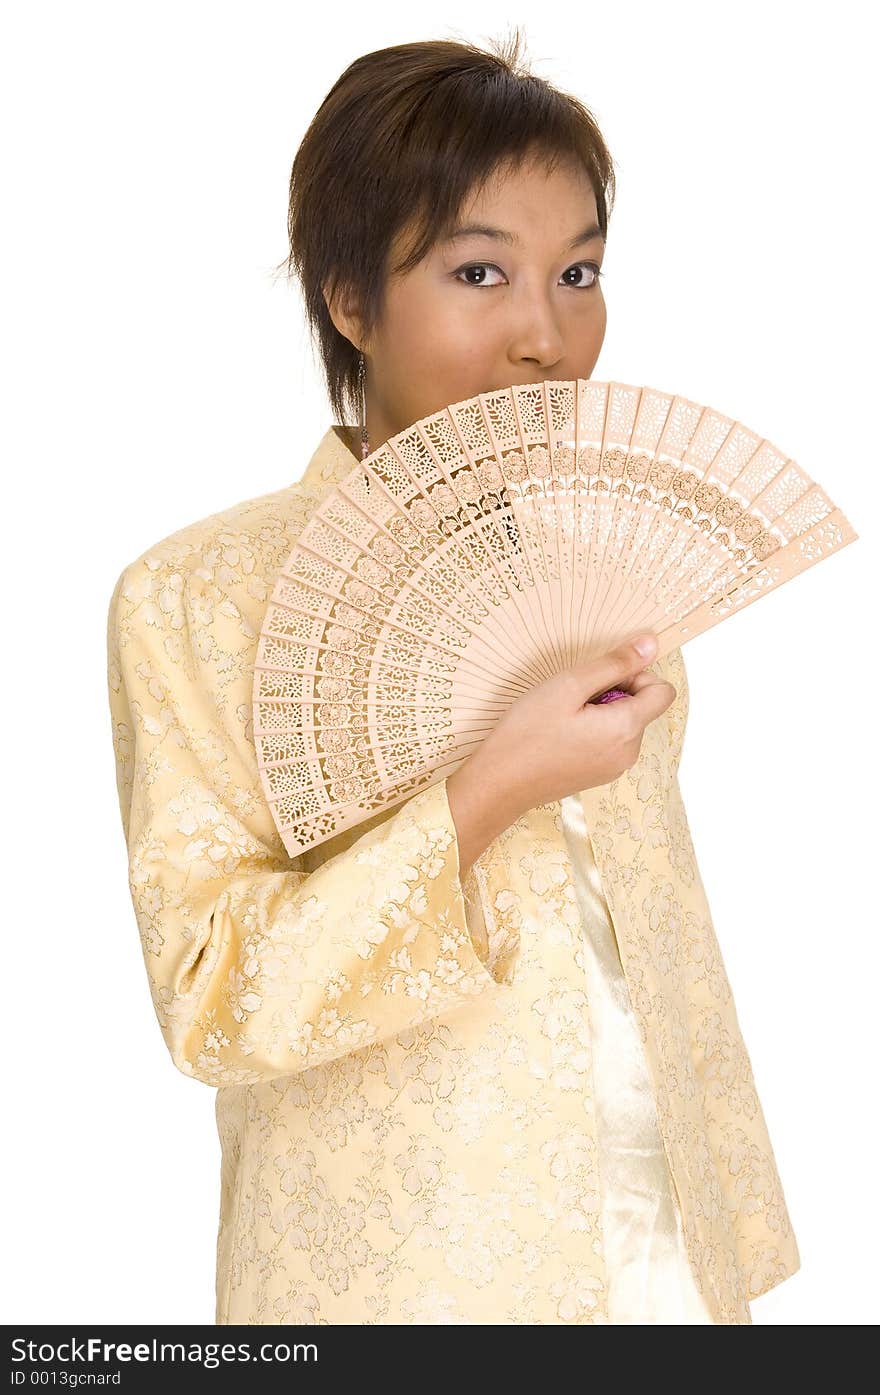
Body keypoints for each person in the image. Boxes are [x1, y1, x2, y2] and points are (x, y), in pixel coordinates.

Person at [105, 31, 800, 1325]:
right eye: (481, 270)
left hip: (660, 1264)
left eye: (579, 271)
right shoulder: (196, 601)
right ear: (350, 299)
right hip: (402, 1282)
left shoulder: (613, 575)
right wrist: (485, 792)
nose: (547, 334)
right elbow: (211, 1004)